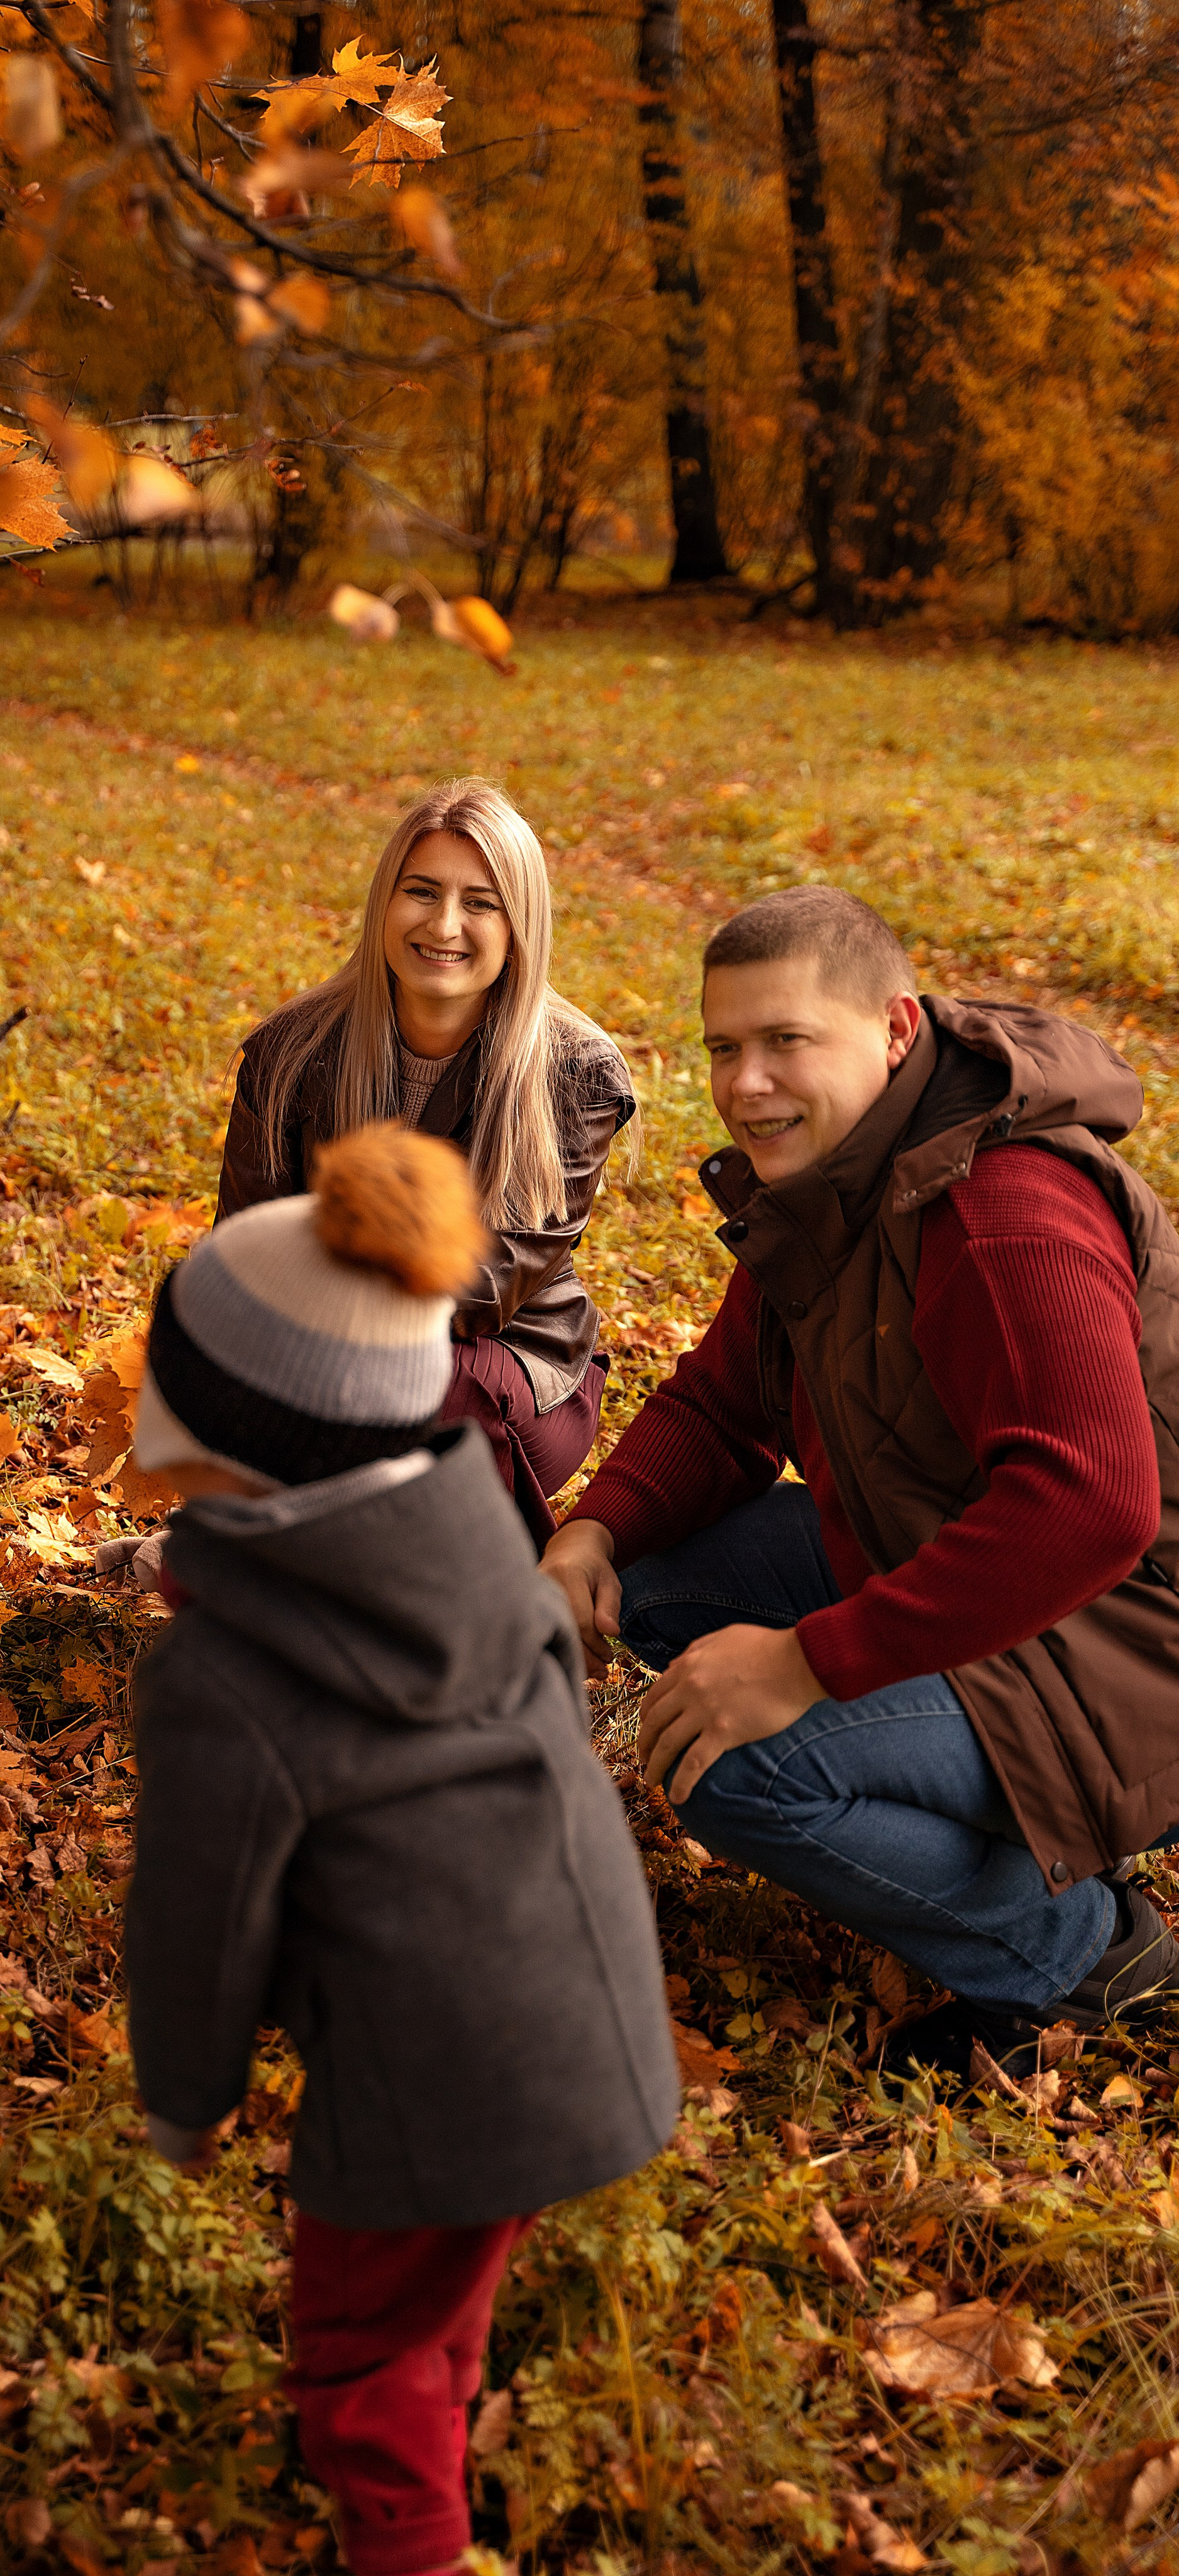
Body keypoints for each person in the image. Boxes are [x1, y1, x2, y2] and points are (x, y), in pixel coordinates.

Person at [125, 1123, 678, 2576]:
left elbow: (202, 1918)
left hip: (433, 2071)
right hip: (591, 2013)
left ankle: (408, 2539)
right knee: (445, 2275)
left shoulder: (226, 1675)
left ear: (222, 1429)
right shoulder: (476, 1542)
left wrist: (186, 2104)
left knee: (359, 2355)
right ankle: (444, 2396)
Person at [540, 882, 1179, 2077]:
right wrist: (593, 1536)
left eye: (788, 1040)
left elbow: (1093, 1505)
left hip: (1130, 1641)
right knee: (663, 1583)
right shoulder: (840, 1176)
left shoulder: (1006, 1212)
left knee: (732, 1762)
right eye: (724, 1047)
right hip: (986, 1571)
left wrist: (804, 1662)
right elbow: (726, 1405)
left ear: (893, 1031)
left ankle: (1085, 1952)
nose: (747, 1083)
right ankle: (1019, 1823)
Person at [212, 775, 636, 1545]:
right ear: (384, 904)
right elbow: (244, 1247)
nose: (445, 923)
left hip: (512, 1370)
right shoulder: (290, 1052)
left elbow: (492, 1281)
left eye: (481, 902)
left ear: (519, 926)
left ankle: (488, 1608)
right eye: (421, 891)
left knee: (439, 1382)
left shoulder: (575, 1072)